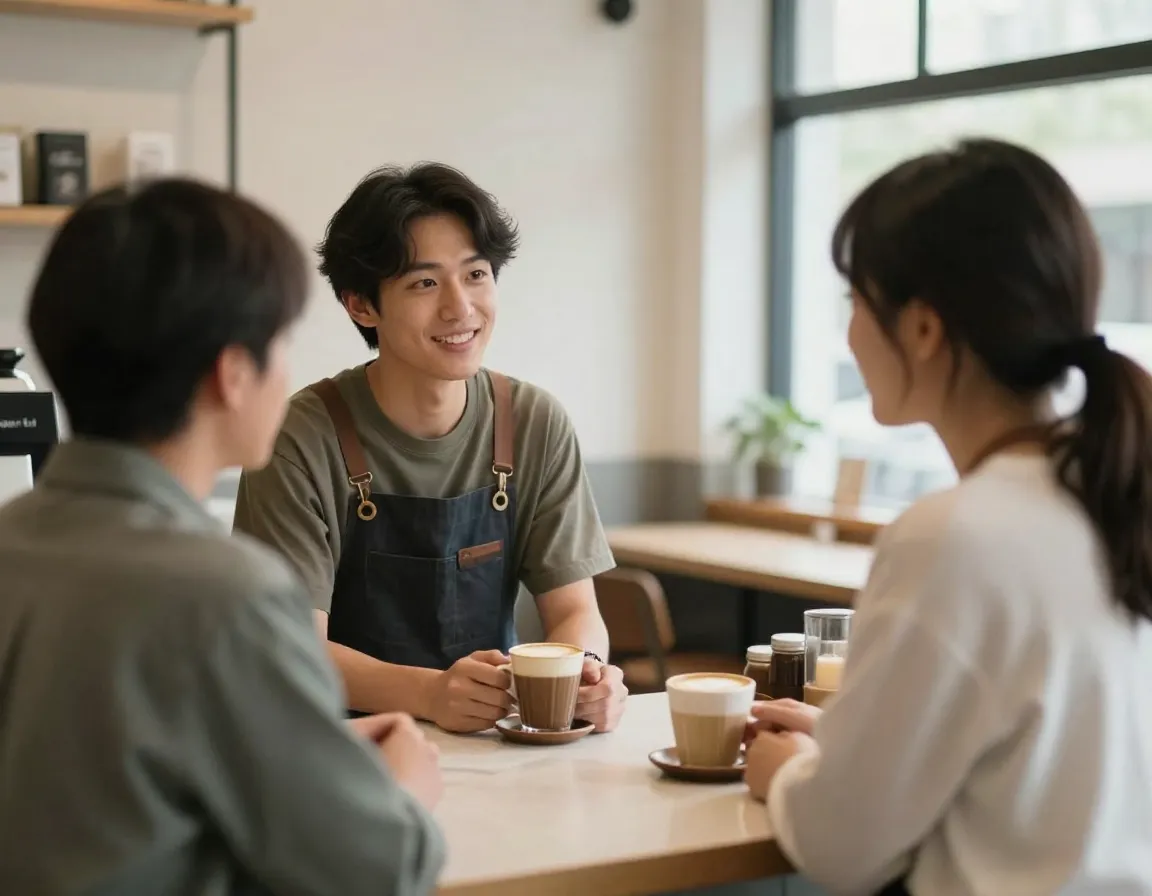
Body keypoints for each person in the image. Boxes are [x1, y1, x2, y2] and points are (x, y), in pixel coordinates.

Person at [0, 179, 445, 895]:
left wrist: (314, 762)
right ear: (233, 373)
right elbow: (375, 870)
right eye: (281, 342)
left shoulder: (13, 543)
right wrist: (401, 789)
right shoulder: (227, 593)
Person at [743, 139, 1152, 896]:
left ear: (923, 329)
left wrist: (792, 773)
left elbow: (843, 846)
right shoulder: (1111, 496)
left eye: (855, 303)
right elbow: (1027, 765)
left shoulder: (956, 536)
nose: (850, 334)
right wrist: (837, 743)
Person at [233, 163, 628, 734]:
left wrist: (586, 674)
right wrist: (431, 692)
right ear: (361, 306)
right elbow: (294, 647)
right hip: (336, 751)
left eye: (475, 275)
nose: (460, 308)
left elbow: (573, 611)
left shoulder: (534, 422)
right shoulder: (298, 435)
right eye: (424, 283)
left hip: (493, 751)